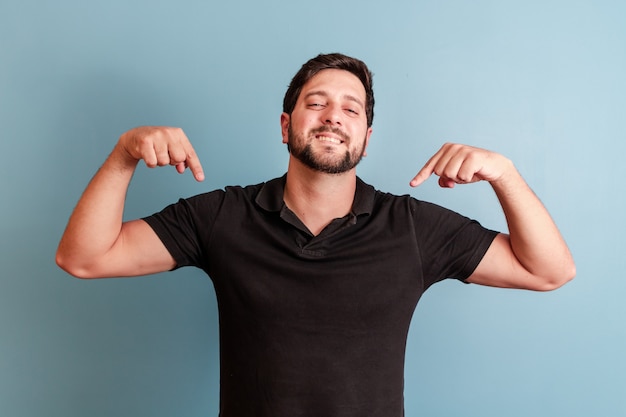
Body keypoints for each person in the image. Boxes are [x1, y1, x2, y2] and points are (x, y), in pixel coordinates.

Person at [56, 53, 575, 416]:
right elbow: (83, 257)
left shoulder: (413, 228)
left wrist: (504, 174)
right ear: (286, 126)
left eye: (351, 108)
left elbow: (548, 270)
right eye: (316, 103)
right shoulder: (221, 216)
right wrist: (125, 154)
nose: (333, 117)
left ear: (366, 138)